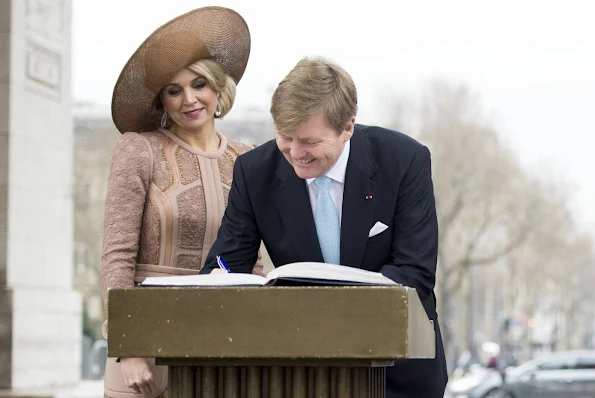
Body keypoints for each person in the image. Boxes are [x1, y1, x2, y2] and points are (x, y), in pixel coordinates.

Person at [201, 57, 448, 397]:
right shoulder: (253, 171)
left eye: (309, 141)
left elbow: (414, 274)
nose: (295, 153)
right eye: (285, 137)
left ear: (347, 127)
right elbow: (227, 261)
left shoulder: (404, 161)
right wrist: (219, 278)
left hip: (395, 372)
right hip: (302, 374)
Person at [101, 7, 262, 398]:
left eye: (199, 84)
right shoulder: (139, 150)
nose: (189, 99)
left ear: (217, 87)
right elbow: (116, 255)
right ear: (162, 99)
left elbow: (253, 264)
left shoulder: (247, 159)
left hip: (223, 341)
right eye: (174, 90)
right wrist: (128, 349)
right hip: (145, 344)